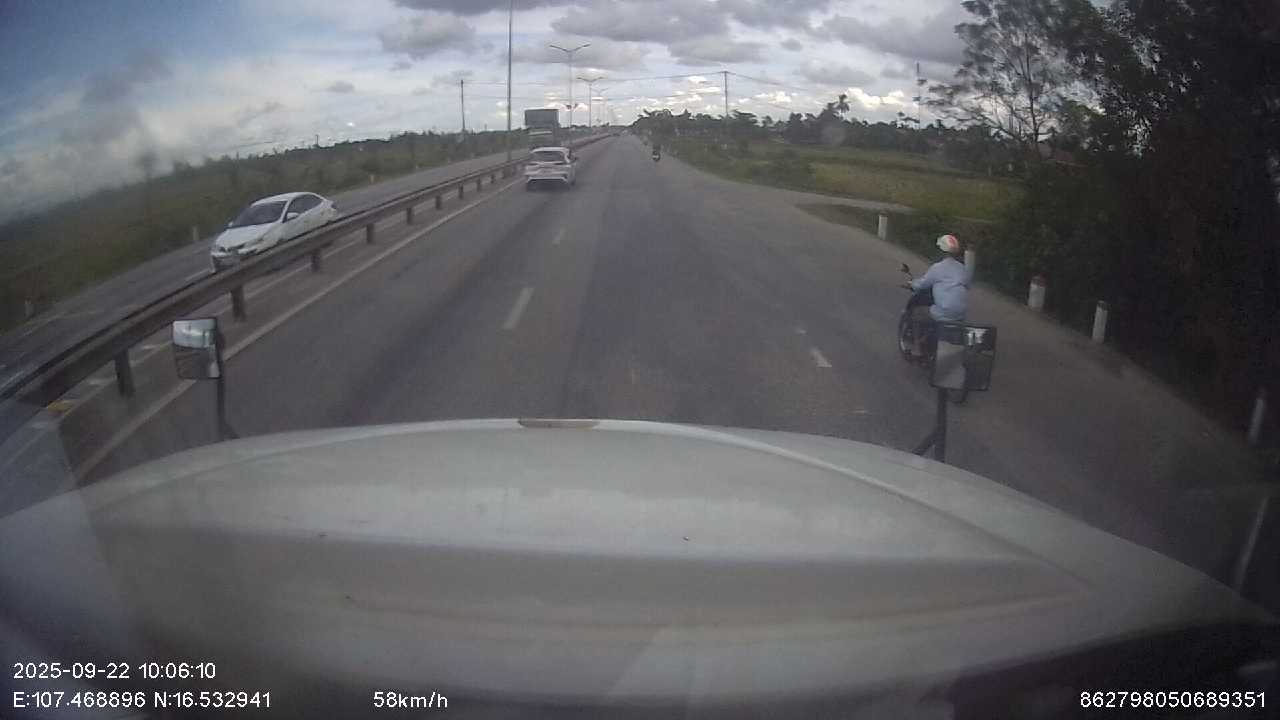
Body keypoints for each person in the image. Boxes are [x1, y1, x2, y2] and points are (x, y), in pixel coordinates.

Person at [909, 233, 968, 359]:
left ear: (941, 251)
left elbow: (922, 284)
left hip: (944, 311)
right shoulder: (962, 268)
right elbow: (966, 285)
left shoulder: (938, 268)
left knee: (917, 313)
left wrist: (912, 283)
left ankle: (917, 347)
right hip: (960, 313)